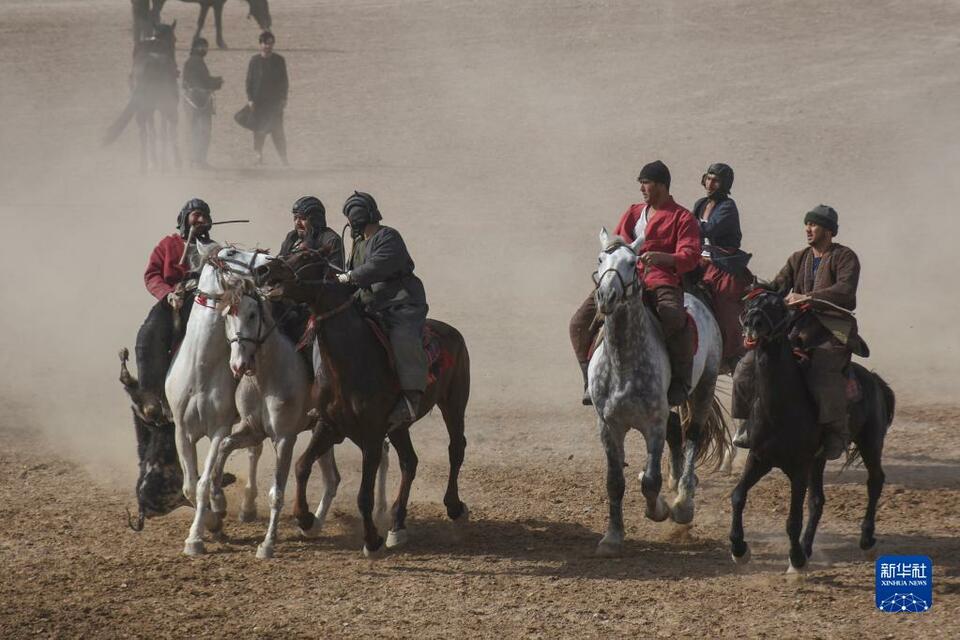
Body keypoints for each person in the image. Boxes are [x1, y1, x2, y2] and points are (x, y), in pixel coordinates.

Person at [731, 205, 862, 460]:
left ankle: (836, 432)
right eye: (807, 224)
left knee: (822, 369)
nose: (808, 229)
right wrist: (755, 288)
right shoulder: (798, 258)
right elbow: (778, 286)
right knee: (746, 367)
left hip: (832, 331)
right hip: (797, 329)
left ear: (829, 231)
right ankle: (746, 423)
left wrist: (808, 297)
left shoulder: (845, 257)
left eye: (813, 225)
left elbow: (845, 291)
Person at [569, 160, 701, 406]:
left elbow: (691, 255)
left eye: (646, 183)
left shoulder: (683, 218)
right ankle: (590, 380)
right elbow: (616, 244)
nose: (641, 188)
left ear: (661, 185)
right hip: (623, 278)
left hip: (661, 280)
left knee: (673, 317)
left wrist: (663, 258)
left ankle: (680, 382)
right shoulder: (633, 213)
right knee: (578, 322)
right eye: (641, 183)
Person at [337, 191, 429, 428]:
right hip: (369, 304)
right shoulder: (358, 243)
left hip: (400, 302)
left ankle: (411, 397)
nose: (348, 223)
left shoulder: (388, 237)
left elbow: (378, 266)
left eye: (349, 217)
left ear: (357, 217)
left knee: (403, 337)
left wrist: (350, 276)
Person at [135, 198, 217, 418]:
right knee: (148, 334)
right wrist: (167, 294)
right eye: (196, 214)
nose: (200, 219)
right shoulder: (167, 244)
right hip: (175, 300)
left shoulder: (216, 250)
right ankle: (152, 396)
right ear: (184, 219)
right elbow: (152, 275)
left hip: (207, 302)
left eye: (204, 216)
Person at [691, 162, 753, 373]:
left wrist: (683, 221)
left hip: (721, 266)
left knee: (724, 305)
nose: (710, 184)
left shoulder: (728, 206)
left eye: (716, 180)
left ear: (724, 184)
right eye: (708, 178)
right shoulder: (700, 203)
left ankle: (732, 352)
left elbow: (709, 229)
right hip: (698, 261)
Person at [275, 196, 344, 376]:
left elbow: (333, 277)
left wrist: (310, 248)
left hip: (313, 305)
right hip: (287, 300)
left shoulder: (330, 239)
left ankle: (313, 376)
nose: (297, 223)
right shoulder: (291, 238)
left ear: (316, 219)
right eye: (295, 218)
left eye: (303, 218)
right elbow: (280, 264)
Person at [245, 30, 288, 165]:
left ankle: (284, 159)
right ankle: (258, 157)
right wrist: (250, 99)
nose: (268, 46)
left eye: (270, 43)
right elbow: (249, 81)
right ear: (260, 44)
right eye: (265, 43)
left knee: (278, 131)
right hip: (259, 103)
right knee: (259, 131)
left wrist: (283, 98)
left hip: (275, 103)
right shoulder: (254, 61)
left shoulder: (279, 60)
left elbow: (284, 81)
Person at [182, 37, 223, 169]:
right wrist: (217, 82)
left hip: (192, 100)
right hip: (198, 101)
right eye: (202, 46)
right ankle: (199, 161)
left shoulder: (192, 61)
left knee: (194, 131)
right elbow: (201, 82)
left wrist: (213, 82)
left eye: (205, 46)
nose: (205, 49)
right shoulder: (196, 61)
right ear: (195, 47)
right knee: (203, 131)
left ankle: (194, 160)